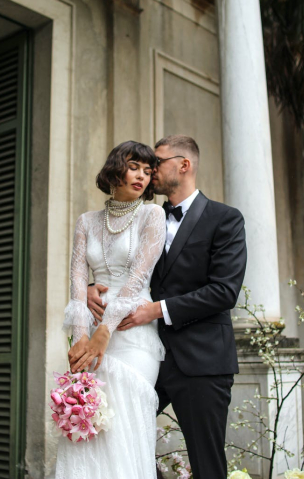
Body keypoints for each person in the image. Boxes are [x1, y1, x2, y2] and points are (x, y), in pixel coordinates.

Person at [87, 134, 247, 479]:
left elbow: (224, 291)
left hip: (202, 360)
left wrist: (155, 309)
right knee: (117, 442)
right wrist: (90, 287)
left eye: (156, 163)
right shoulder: (145, 218)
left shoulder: (225, 219)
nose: (149, 171)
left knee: (207, 465)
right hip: (146, 355)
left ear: (183, 165)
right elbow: (115, 263)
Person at [56, 141, 166, 479]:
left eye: (148, 172)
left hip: (131, 331)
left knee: (123, 424)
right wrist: (81, 337)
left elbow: (138, 279)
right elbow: (77, 280)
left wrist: (104, 332)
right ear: (115, 167)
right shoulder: (86, 221)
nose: (142, 177)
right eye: (135, 167)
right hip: (90, 328)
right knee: (87, 418)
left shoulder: (152, 214)